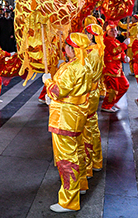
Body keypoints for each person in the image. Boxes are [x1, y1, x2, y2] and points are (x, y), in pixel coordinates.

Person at [42, 32, 91, 213]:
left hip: (65, 118)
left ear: (72, 49)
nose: (65, 49)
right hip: (76, 115)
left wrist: (48, 83)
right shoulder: (82, 64)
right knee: (78, 151)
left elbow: (57, 91)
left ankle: (68, 201)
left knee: (66, 159)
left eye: (67, 46)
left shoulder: (72, 68)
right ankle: (82, 184)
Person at [82, 23, 105, 181]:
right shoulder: (96, 49)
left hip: (88, 92)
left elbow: (85, 74)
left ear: (90, 36)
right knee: (93, 126)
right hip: (92, 90)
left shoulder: (93, 52)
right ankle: (96, 160)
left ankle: (88, 166)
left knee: (87, 129)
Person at [100, 22, 130, 113]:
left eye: (115, 30)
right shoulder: (106, 41)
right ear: (107, 31)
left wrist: (125, 58)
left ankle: (113, 101)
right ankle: (106, 105)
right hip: (110, 69)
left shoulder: (116, 41)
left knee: (125, 85)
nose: (114, 32)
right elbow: (114, 51)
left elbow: (120, 53)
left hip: (118, 69)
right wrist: (124, 45)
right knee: (113, 88)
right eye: (111, 30)